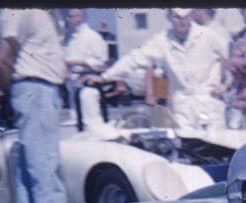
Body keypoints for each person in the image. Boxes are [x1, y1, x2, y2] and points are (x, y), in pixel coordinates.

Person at [96, 8, 229, 130]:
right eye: (176, 17)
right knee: (186, 143)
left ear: (191, 16)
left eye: (185, 16)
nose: (181, 21)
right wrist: (105, 77)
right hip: (181, 106)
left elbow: (232, 58)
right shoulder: (161, 40)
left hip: (209, 102)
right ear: (169, 17)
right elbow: (135, 58)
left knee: (216, 144)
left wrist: (226, 85)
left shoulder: (209, 35)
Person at [0, 8, 66, 203]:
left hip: (38, 89)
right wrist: (7, 94)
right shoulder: (21, 10)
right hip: (36, 89)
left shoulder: (48, 15)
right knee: (45, 168)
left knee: (30, 167)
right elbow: (3, 60)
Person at [63, 9, 109, 111]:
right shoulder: (70, 38)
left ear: (80, 18)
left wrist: (76, 62)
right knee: (74, 113)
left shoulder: (92, 37)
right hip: (72, 81)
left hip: (88, 81)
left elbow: (101, 61)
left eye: (70, 16)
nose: (67, 19)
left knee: (89, 112)